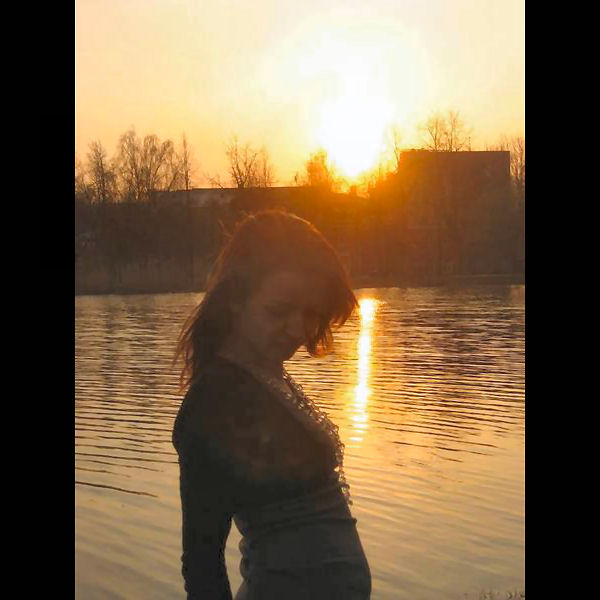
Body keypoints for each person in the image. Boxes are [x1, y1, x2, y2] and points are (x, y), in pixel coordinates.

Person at [172, 209, 372, 599]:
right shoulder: (213, 403)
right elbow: (201, 560)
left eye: (310, 313)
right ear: (236, 301)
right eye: (278, 311)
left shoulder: (265, 372)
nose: (298, 329)